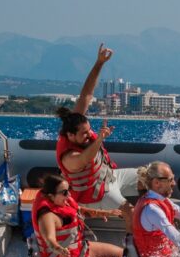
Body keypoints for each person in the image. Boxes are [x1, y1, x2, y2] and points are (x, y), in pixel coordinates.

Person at [55, 44, 138, 227]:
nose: (88, 135)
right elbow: (86, 157)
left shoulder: (75, 123)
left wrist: (99, 63)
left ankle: (161, 211)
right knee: (129, 211)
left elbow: (86, 95)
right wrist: (99, 138)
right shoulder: (69, 157)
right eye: (84, 134)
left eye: (89, 131)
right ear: (70, 135)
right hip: (96, 193)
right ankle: (136, 247)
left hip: (110, 177)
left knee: (150, 175)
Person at [31, 173, 126, 257]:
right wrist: (58, 249)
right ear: (51, 196)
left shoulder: (63, 202)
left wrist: (105, 213)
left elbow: (79, 210)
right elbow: (49, 239)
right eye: (64, 193)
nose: (69, 195)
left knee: (120, 256)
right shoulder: (47, 216)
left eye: (69, 190)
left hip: (79, 252)